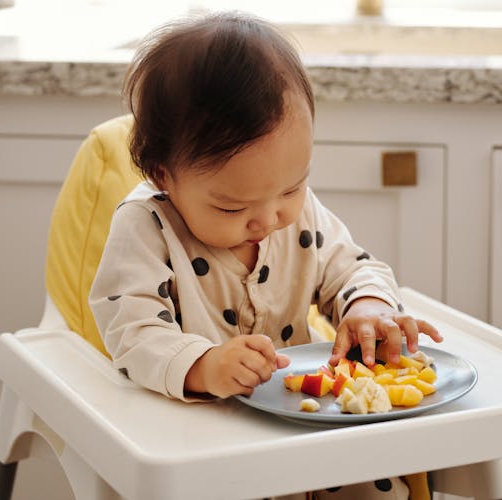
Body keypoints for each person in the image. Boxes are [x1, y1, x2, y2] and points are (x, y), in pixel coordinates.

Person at [89, 11, 442, 499]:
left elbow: (349, 267)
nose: (268, 219)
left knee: (378, 482)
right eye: (232, 206)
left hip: (307, 425)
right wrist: (204, 365)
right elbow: (131, 331)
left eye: (291, 188)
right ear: (162, 175)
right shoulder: (145, 227)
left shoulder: (296, 212)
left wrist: (368, 307)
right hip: (207, 442)